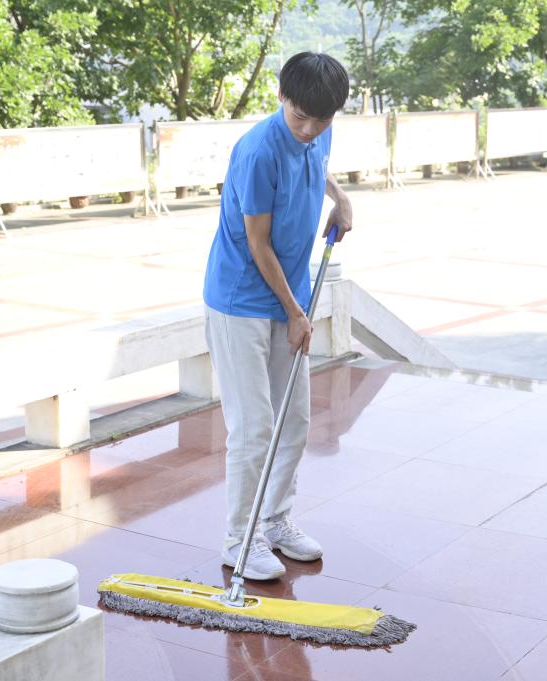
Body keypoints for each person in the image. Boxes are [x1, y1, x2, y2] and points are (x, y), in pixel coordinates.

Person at [202, 52, 353, 580]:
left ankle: (275, 521)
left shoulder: (318, 130)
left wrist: (341, 198)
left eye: (321, 120)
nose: (308, 130)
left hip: (288, 297)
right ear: (281, 97)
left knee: (294, 419)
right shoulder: (257, 152)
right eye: (300, 118)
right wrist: (295, 313)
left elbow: (317, 162)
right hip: (241, 301)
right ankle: (239, 541)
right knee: (253, 427)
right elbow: (257, 243)